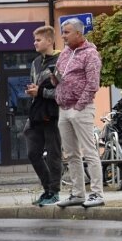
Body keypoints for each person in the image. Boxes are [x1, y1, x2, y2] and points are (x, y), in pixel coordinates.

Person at [54, 18, 105, 208]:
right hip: (63, 108)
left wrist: (78, 106)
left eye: (67, 32)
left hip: (80, 108)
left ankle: (97, 193)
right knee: (71, 154)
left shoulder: (91, 54)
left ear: (78, 33)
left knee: (89, 151)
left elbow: (93, 84)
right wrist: (54, 79)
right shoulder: (65, 53)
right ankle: (77, 193)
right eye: (63, 32)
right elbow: (60, 77)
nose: (63, 36)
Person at [25, 25, 62, 207]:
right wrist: (33, 91)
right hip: (37, 114)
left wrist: (40, 92)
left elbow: (63, 92)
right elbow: (35, 86)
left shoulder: (61, 59)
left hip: (54, 114)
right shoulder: (35, 62)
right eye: (35, 40)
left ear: (49, 40)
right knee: (32, 153)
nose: (35, 43)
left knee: (54, 154)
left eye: (38, 40)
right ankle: (47, 189)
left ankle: (54, 192)